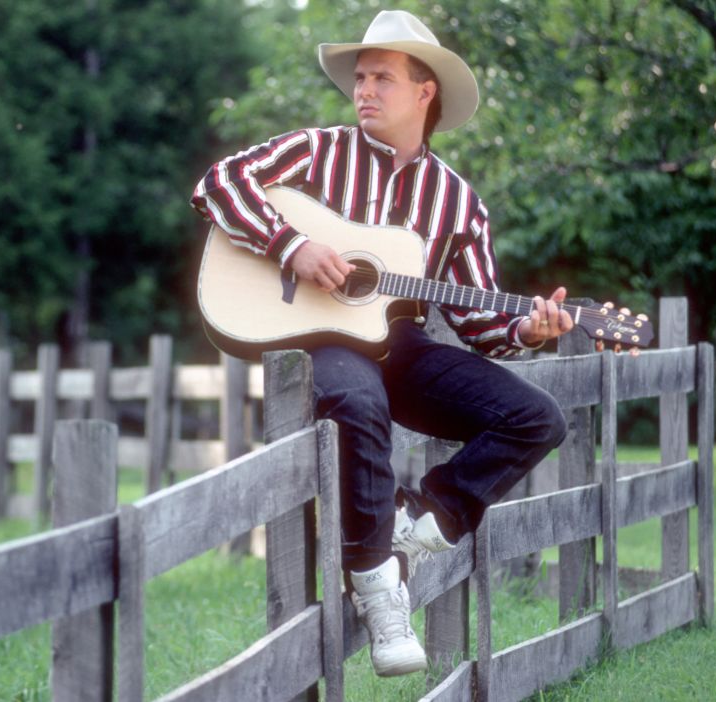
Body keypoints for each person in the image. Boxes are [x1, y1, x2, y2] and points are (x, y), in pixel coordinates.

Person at [190, 9, 572, 677]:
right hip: (321, 337)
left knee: (537, 418)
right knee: (357, 396)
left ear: (425, 92)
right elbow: (217, 185)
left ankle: (423, 521)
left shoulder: (457, 202)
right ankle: (375, 584)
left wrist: (526, 329)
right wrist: (293, 244)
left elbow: (482, 324)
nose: (363, 91)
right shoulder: (317, 151)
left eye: (382, 79)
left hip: (400, 344)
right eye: (360, 78)